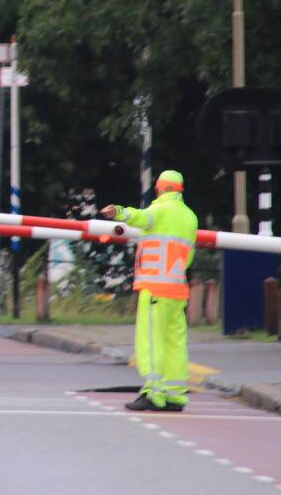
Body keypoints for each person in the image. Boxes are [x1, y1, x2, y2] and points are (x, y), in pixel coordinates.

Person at [100, 170, 198, 412]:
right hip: (177, 289)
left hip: (155, 288)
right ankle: (175, 395)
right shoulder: (190, 217)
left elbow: (140, 218)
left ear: (160, 188)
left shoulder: (161, 210)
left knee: (152, 343)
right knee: (175, 342)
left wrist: (118, 212)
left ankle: (154, 393)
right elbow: (190, 255)